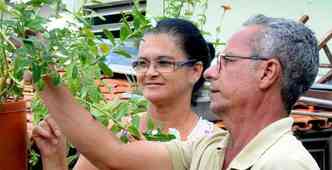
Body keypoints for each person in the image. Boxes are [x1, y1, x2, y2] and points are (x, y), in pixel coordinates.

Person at [32, 14, 320, 170]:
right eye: (143, 63)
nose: (211, 72)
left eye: (228, 61)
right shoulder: (212, 149)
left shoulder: (285, 163)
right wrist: (40, 64)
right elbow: (111, 154)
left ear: (267, 72)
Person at [33, 18, 216, 170]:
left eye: (164, 63)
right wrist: (55, 158)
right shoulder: (117, 129)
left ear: (195, 71)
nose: (150, 72)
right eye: (143, 63)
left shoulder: (211, 142)